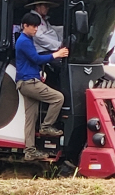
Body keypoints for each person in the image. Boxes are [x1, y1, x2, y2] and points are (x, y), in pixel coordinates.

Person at [15, 12, 69, 161]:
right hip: (29, 82)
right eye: (33, 27)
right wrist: (56, 55)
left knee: (31, 118)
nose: (35, 30)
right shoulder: (24, 41)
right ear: (25, 26)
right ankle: (46, 126)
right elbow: (36, 58)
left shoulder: (25, 39)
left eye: (37, 27)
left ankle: (30, 150)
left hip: (26, 82)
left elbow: (30, 61)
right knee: (58, 98)